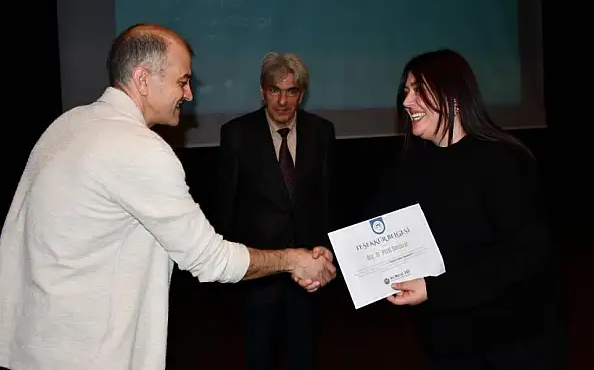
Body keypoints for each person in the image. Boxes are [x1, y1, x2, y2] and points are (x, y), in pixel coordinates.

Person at [0, 24, 335, 370]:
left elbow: (13, 236)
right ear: (143, 79)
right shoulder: (140, 149)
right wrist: (293, 259)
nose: (188, 95)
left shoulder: (67, 124)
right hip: (91, 353)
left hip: (34, 345)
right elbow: (210, 259)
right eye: (182, 81)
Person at [357, 49, 565, 369]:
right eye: (406, 91)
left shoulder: (504, 162)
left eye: (419, 90)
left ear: (453, 96)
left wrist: (436, 289)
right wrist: (325, 258)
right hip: (447, 344)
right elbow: (370, 229)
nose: (407, 101)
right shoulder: (408, 166)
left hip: (513, 343)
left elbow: (524, 258)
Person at [216, 52, 336, 370]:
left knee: (304, 356)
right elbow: (225, 207)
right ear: (262, 91)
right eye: (274, 90)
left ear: (302, 94)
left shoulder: (322, 131)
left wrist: (326, 253)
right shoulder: (236, 134)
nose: (282, 101)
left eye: (291, 91)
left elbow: (327, 200)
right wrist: (230, 269)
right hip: (258, 275)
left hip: (308, 274)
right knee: (259, 357)